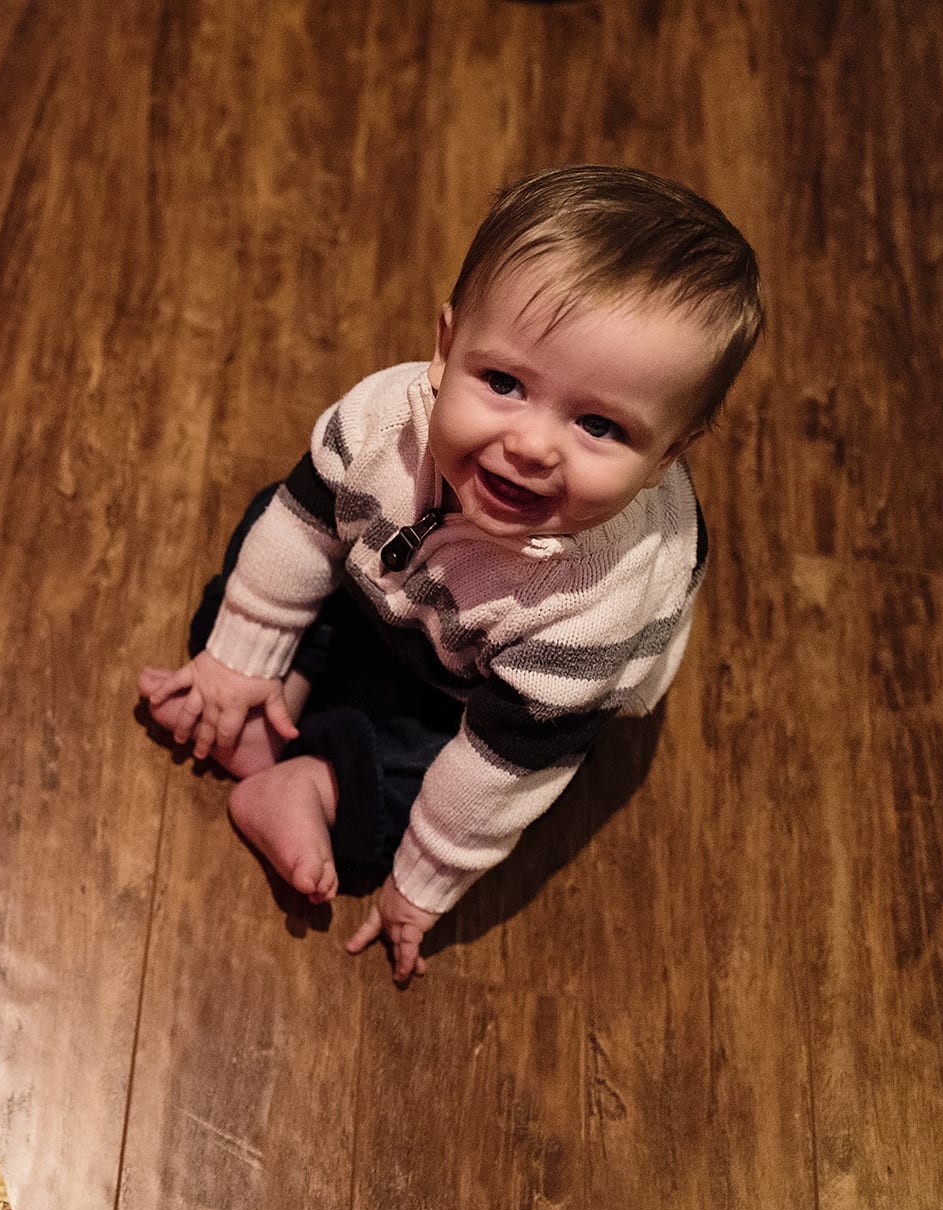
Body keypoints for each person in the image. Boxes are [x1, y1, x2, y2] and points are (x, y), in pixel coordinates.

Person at [139, 165, 763, 985]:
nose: (534, 445)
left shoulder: (591, 616)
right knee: (286, 525)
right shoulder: (381, 422)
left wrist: (424, 884)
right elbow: (300, 526)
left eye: (600, 425)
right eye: (503, 382)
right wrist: (240, 651)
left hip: (481, 689)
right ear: (444, 349)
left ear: (666, 456)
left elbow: (491, 779)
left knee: (451, 773)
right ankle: (267, 690)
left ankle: (318, 784)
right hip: (393, 588)